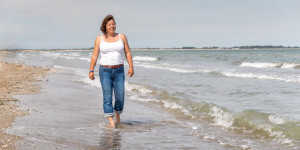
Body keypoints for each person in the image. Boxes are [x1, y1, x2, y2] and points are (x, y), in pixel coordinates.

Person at [89, 15, 134, 128]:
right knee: (107, 97)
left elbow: (127, 52)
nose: (112, 26)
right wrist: (91, 70)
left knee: (120, 96)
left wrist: (131, 67)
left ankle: (117, 114)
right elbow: (95, 55)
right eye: (109, 24)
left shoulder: (122, 37)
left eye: (113, 24)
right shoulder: (99, 39)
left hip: (119, 70)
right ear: (105, 26)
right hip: (105, 71)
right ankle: (111, 121)